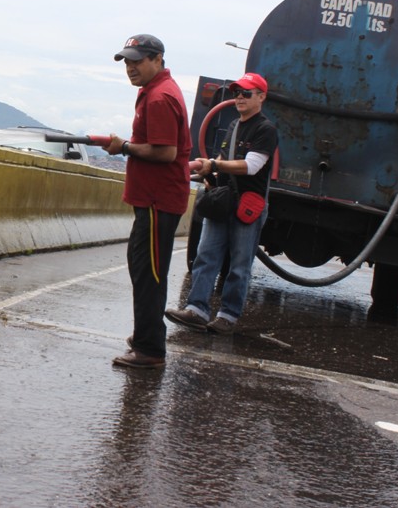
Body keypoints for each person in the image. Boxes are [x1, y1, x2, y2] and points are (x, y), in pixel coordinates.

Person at [166, 72, 278, 335]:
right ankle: (196, 309)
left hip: (247, 206)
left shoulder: (265, 129)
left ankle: (228, 315)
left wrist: (214, 164)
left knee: (239, 265)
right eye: (237, 92)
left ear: (261, 97)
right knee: (206, 256)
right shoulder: (234, 125)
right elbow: (223, 155)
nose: (239, 97)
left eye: (246, 93)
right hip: (224, 200)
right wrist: (208, 170)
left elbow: (251, 166)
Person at [105, 34, 192, 369]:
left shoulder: (159, 97)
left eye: (137, 61)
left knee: (149, 272)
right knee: (143, 268)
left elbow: (166, 152)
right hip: (154, 200)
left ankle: (150, 349)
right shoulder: (154, 92)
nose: (130, 68)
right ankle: (147, 333)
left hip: (159, 200)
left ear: (157, 60)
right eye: (126, 61)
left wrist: (123, 147)